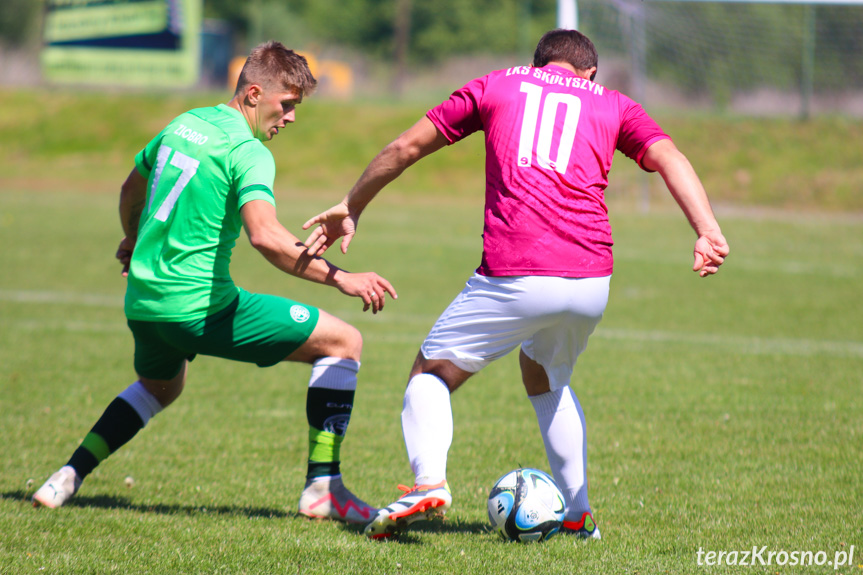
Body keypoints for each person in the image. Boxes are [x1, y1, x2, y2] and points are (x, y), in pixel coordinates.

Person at [302, 29, 729, 539]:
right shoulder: (614, 103)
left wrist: (351, 206)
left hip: (517, 270)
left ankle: (429, 482)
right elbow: (670, 158)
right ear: (589, 72)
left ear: (538, 63)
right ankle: (578, 515)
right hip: (591, 279)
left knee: (431, 373)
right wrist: (706, 230)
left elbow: (406, 145)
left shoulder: (498, 85)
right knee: (546, 376)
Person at [31, 41, 397, 525]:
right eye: (286, 105)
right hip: (199, 308)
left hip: (143, 302)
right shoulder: (248, 151)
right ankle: (323, 488)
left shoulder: (184, 123)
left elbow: (130, 189)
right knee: (344, 342)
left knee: (161, 386)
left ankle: (66, 477)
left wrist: (131, 236)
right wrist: (342, 278)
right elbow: (266, 237)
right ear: (252, 94)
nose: (290, 118)